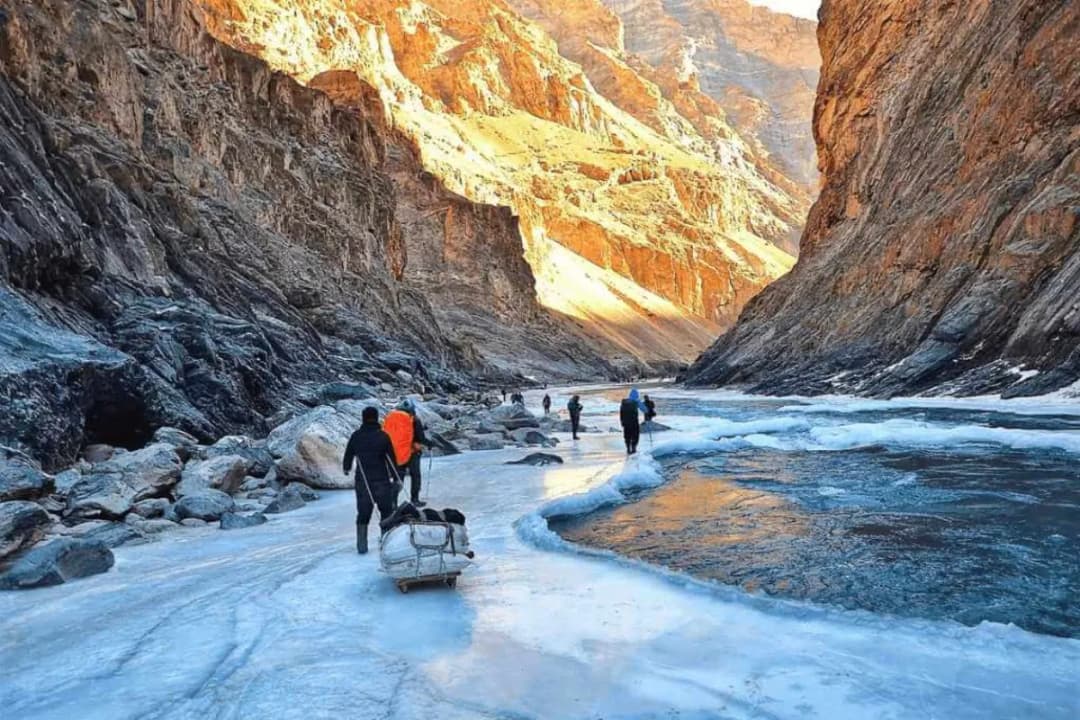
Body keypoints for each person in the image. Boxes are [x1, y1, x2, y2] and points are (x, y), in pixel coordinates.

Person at [342, 406, 400, 554]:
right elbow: (391, 459)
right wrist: (396, 477)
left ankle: (362, 546)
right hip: (382, 480)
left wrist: (346, 468)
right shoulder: (383, 436)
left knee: (363, 513)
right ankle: (387, 544)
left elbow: (349, 454)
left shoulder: (356, 436)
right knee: (386, 512)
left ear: (363, 418)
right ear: (376, 418)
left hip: (363, 482)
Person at [384, 400, 428, 508]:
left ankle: (393, 502)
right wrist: (429, 444)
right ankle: (414, 499)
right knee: (415, 476)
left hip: (396, 453)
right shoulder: (414, 420)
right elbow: (421, 438)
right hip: (412, 453)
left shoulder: (391, 418)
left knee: (398, 477)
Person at [619, 388, 646, 455]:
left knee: (627, 436)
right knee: (635, 435)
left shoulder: (624, 402)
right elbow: (645, 410)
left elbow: (621, 413)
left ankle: (628, 448)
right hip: (634, 422)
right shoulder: (636, 402)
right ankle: (633, 448)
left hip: (625, 423)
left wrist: (622, 422)